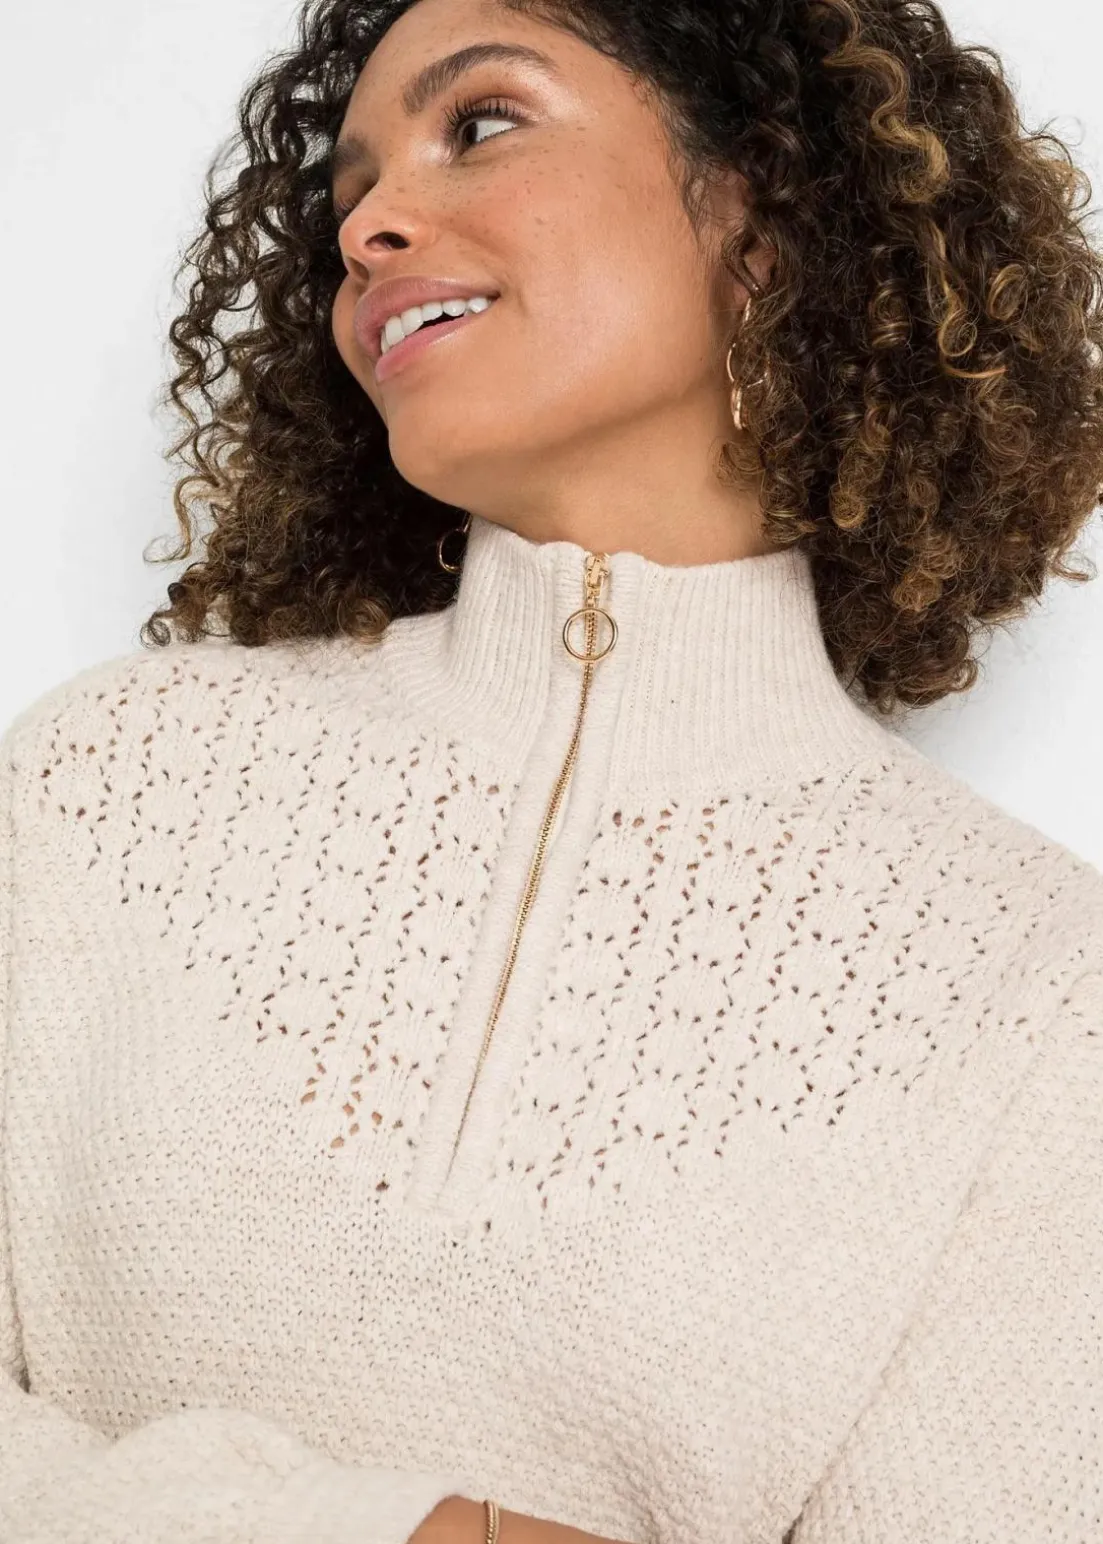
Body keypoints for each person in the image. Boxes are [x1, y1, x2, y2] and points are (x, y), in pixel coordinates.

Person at [2, 0, 1101, 1540]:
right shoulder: (104, 784)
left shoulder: (1035, 983)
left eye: (481, 124)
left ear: (760, 216)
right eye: (348, 193)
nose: (370, 226)